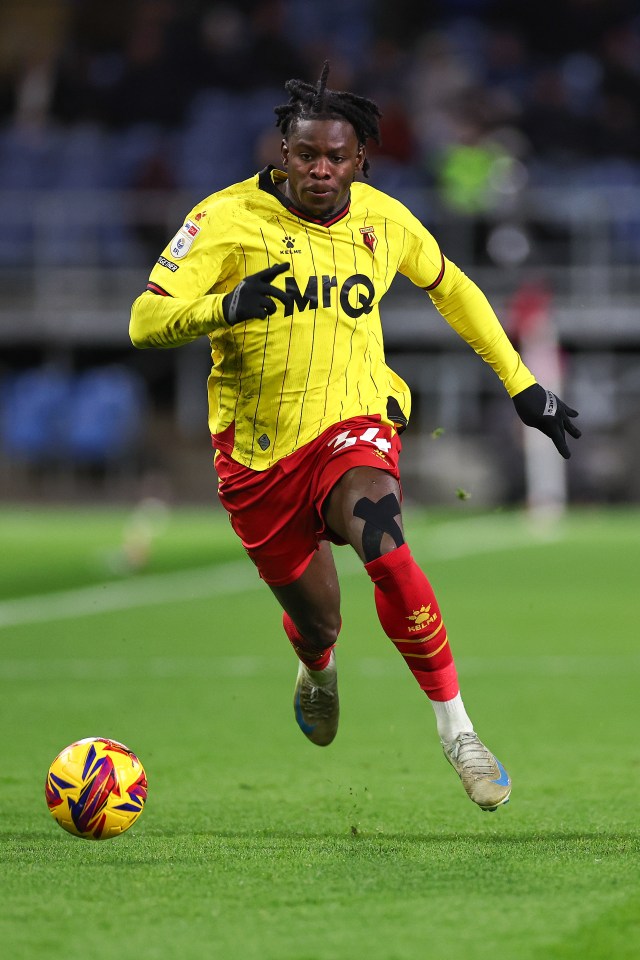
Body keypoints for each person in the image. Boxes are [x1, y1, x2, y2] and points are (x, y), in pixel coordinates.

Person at [129, 63, 581, 812]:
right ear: (282, 149)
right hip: (257, 456)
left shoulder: (383, 218)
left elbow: (454, 287)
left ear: (360, 159)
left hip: (355, 427)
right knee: (320, 618)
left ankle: (458, 731)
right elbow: (145, 320)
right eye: (306, 154)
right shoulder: (224, 220)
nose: (320, 169)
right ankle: (317, 665)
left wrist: (523, 387)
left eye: (336, 157)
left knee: (388, 546)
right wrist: (225, 305)